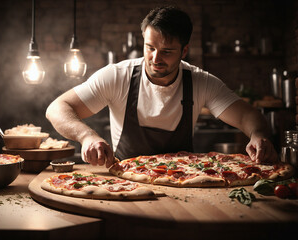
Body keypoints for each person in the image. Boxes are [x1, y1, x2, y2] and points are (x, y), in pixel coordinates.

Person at [46, 6, 278, 168]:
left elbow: (248, 115)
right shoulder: (117, 76)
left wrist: (257, 135)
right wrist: (87, 136)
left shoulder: (200, 81)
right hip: (125, 183)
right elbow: (57, 107)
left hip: (185, 182)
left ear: (184, 51)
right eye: (150, 47)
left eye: (167, 51)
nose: (156, 58)